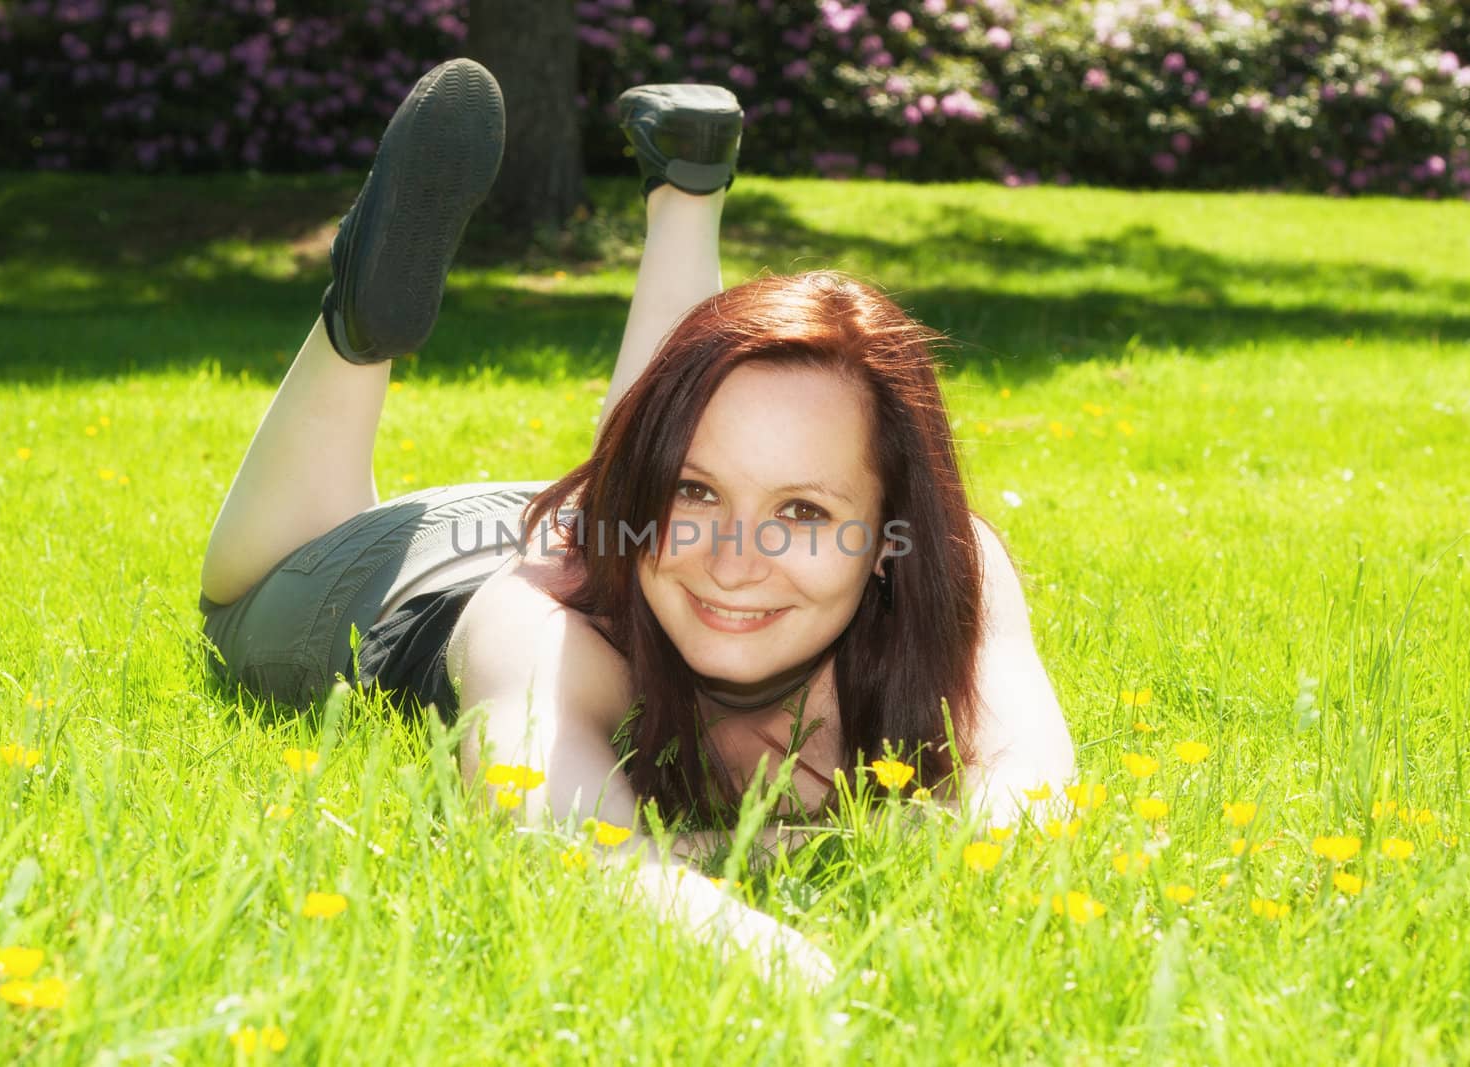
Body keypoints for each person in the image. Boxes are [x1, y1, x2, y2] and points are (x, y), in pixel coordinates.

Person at [199, 59, 1074, 986]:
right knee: (239, 594)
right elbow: (562, 834)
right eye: (698, 490)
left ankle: (687, 187)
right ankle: (353, 330)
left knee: (683, 473)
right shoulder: (543, 628)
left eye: (804, 511)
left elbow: (1033, 800)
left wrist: (756, 841)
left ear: (893, 532)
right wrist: (790, 959)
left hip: (610, 525)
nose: (739, 563)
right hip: (406, 572)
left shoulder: (949, 559)